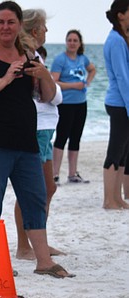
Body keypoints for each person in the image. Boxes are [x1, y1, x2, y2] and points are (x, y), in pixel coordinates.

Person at [0, 1, 73, 278]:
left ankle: (44, 262)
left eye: (11, 22)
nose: (5, 27)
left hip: (26, 142)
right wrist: (6, 77)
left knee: (35, 199)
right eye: (1, 22)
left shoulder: (27, 52)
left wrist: (44, 74)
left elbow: (46, 97)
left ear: (19, 25)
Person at [14, 10, 64, 260]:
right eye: (44, 27)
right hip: (37, 129)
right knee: (37, 189)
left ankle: (35, 242)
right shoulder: (29, 58)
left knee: (46, 188)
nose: (47, 31)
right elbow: (52, 96)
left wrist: (51, 87)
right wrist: (51, 86)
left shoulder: (34, 56)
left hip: (44, 129)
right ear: (35, 31)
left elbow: (52, 95)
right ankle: (25, 246)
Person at [51, 30, 96, 184]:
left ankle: (72, 174)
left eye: (75, 40)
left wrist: (87, 82)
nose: (72, 43)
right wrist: (74, 85)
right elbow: (53, 82)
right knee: (61, 138)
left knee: (76, 139)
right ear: (66, 42)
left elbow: (93, 69)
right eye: (69, 40)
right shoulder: (60, 59)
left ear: (79, 43)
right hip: (65, 104)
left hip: (81, 104)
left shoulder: (82, 59)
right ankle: (54, 174)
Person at [102, 1, 129, 210]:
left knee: (123, 153)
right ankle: (108, 200)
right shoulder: (116, 41)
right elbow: (122, 77)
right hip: (119, 103)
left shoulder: (121, 38)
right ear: (121, 15)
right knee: (115, 151)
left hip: (123, 102)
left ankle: (117, 197)